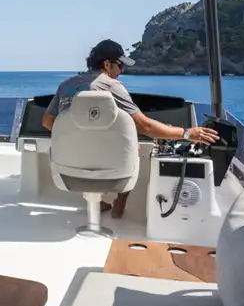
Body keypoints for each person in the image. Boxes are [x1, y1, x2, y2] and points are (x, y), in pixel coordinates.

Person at [42, 39, 220, 217]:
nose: (122, 71)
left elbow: (48, 122)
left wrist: (75, 135)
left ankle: (95, 200)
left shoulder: (66, 85)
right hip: (109, 166)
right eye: (120, 65)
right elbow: (144, 126)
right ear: (107, 64)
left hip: (69, 168)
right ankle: (120, 202)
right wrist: (187, 133)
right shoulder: (111, 86)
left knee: (86, 149)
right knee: (135, 147)